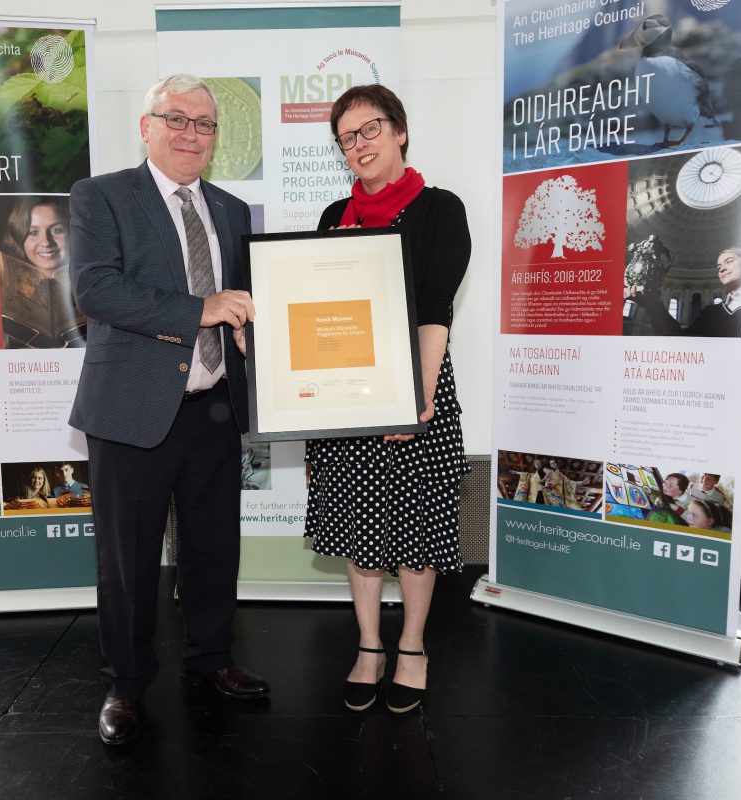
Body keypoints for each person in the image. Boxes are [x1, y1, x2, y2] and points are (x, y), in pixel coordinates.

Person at [68, 74, 267, 746]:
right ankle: (125, 685)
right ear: (146, 126)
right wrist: (200, 310)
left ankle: (211, 660)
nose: (191, 133)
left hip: (214, 407)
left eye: (204, 123)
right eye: (176, 118)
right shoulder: (101, 196)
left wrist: (251, 329)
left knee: (213, 548)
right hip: (131, 410)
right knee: (128, 560)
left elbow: (241, 300)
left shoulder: (232, 209)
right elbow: (96, 290)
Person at [304, 84, 472, 715]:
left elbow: (434, 310)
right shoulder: (332, 217)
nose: (359, 144)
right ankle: (369, 646)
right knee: (359, 527)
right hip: (344, 396)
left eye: (370, 129)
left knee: (416, 529)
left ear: (399, 131)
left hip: (417, 387)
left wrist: (415, 400)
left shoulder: (440, 209)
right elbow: (316, 316)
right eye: (346, 137)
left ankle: (413, 648)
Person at [0, 197, 87, 348]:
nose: (46, 242)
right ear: (19, 235)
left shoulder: (91, 283)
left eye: (56, 230)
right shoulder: (2, 289)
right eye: (33, 232)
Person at [625, 248, 741, 337]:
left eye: (729, 261)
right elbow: (680, 339)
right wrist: (652, 304)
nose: (722, 269)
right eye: (719, 267)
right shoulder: (711, 313)